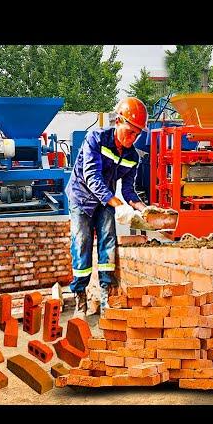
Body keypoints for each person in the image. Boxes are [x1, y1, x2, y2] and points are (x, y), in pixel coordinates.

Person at [65, 97, 149, 318]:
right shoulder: (96, 139)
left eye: (137, 134)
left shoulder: (133, 157)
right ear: (118, 121)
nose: (133, 138)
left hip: (106, 200)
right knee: (82, 242)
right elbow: (90, 175)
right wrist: (113, 201)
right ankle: (80, 297)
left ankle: (105, 295)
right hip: (82, 197)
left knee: (108, 242)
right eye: (130, 132)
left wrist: (142, 208)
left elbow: (129, 190)